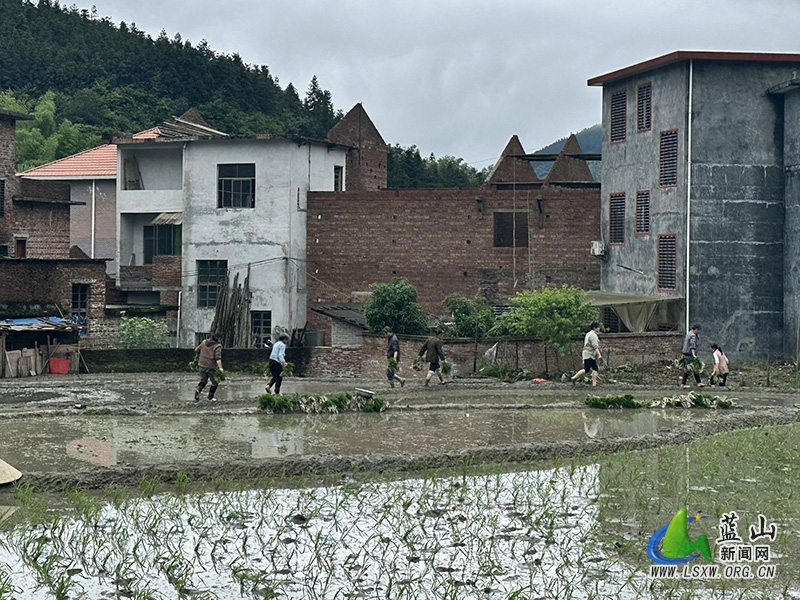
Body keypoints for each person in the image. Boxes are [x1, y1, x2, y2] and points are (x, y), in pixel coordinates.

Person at [570, 322, 602, 386]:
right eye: (598, 327)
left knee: (595, 368)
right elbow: (595, 346)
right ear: (594, 328)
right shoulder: (593, 335)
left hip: (587, 353)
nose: (599, 328)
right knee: (587, 369)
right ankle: (574, 377)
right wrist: (599, 354)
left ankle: (594, 383)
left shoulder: (588, 334)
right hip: (589, 353)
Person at [194, 333, 223, 401]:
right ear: (218, 339)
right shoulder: (217, 347)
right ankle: (210, 397)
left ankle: (198, 391)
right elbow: (218, 358)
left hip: (201, 365)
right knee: (215, 382)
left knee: (203, 381)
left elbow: (196, 350)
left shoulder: (204, 342)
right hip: (210, 367)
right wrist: (220, 368)